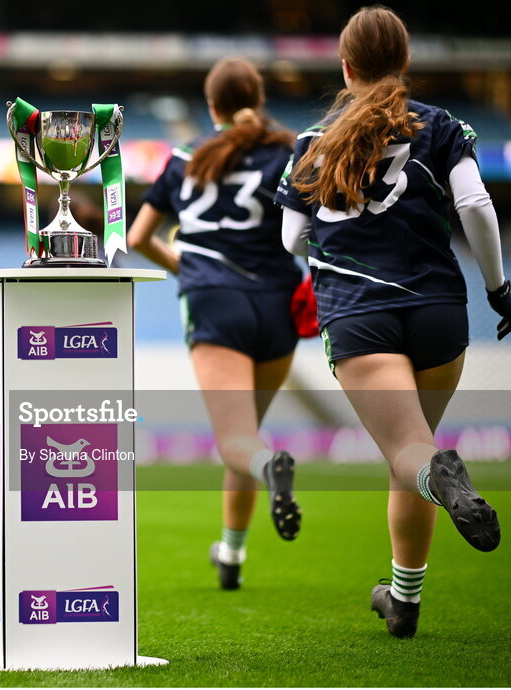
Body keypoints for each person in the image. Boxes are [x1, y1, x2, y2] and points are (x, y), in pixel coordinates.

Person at [276, 5, 511, 638]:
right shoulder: (441, 125)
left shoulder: (312, 142)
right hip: (441, 311)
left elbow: (288, 239)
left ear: (346, 66)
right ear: (404, 63)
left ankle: (440, 480)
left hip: (362, 318)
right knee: (408, 450)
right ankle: (404, 600)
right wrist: (498, 289)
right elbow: (474, 203)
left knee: (413, 454)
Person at [127, 57, 308, 590]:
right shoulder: (287, 151)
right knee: (245, 437)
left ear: (211, 107)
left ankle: (269, 467)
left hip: (214, 301)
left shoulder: (187, 156)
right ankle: (230, 555)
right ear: (259, 96)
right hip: (277, 301)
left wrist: (193, 266)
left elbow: (137, 237)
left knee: (238, 442)